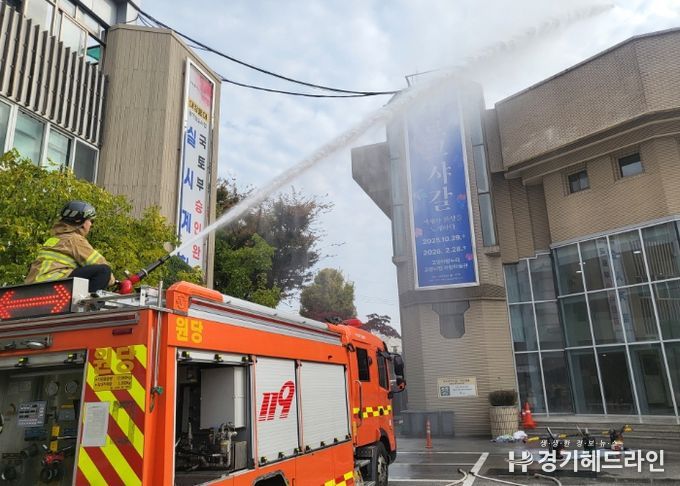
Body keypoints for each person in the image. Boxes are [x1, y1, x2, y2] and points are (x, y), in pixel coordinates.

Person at [25, 201, 116, 292]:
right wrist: (113, 281)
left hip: (32, 288)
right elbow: (98, 263)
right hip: (54, 285)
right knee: (104, 270)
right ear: (80, 221)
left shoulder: (53, 240)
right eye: (90, 220)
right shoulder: (74, 239)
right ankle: (87, 301)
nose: (91, 224)